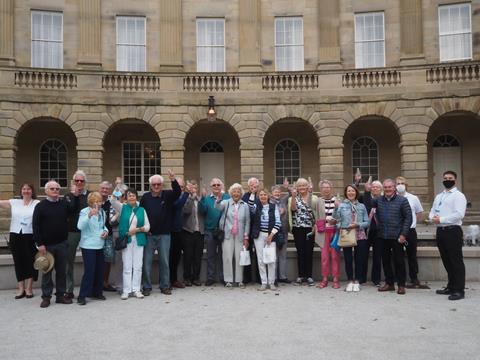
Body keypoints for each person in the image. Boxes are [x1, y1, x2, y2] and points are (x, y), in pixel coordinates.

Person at [33, 180, 77, 308]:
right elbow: (35, 226)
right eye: (52, 189)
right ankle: (46, 297)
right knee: (46, 271)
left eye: (57, 189)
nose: (55, 191)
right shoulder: (40, 206)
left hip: (62, 244)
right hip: (46, 246)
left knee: (61, 272)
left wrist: (73, 195)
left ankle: (60, 296)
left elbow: (73, 209)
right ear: (46, 191)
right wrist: (39, 243)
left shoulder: (63, 204)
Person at [140, 170, 181, 296]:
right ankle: (146, 286)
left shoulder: (167, 195)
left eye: (158, 184)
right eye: (154, 184)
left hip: (164, 235)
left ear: (162, 185)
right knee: (146, 262)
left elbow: (178, 193)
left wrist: (173, 180)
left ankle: (165, 285)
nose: (156, 186)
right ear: (150, 186)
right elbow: (141, 213)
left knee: (164, 261)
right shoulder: (145, 197)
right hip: (149, 235)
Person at [429, 170, 467, 301]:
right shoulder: (439, 196)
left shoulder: (458, 196)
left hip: (453, 231)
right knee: (446, 260)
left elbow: (459, 214)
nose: (447, 180)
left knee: (455, 261)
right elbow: (433, 210)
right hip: (441, 231)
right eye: (445, 178)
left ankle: (459, 290)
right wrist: (432, 218)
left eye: (450, 178)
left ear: (455, 180)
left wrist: (442, 219)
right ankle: (451, 286)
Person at [0, 184, 40, 299]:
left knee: (30, 261)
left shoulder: (37, 203)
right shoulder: (14, 202)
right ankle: (21, 288)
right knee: (18, 261)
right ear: (21, 191)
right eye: (24, 189)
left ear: (32, 191)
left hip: (30, 235)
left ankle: (29, 288)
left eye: (28, 189)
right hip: (15, 235)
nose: (26, 191)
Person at [373, 179, 412, 295]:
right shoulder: (378, 200)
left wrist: (403, 234)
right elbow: (368, 204)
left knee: (399, 261)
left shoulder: (403, 201)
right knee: (385, 261)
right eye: (385, 187)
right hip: (382, 236)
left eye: (390, 187)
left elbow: (408, 218)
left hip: (397, 237)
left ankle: (401, 285)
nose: (387, 189)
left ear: (394, 188)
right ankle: (389, 283)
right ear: (383, 189)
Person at [113, 188, 150, 300]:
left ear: (136, 197)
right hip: (127, 240)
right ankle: (126, 290)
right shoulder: (122, 208)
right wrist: (117, 187)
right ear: (126, 197)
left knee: (138, 266)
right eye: (129, 195)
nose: (131, 197)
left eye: (133, 195)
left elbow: (148, 227)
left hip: (139, 240)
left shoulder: (142, 210)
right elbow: (113, 201)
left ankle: (136, 290)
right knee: (127, 266)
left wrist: (137, 230)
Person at [334, 185, 370, 292]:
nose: (350, 193)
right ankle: (350, 281)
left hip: (360, 235)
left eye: (352, 191)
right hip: (347, 234)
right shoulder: (341, 205)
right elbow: (336, 220)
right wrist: (336, 208)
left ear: (356, 192)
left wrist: (357, 225)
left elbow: (367, 222)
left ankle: (357, 281)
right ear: (346, 193)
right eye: (348, 191)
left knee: (359, 259)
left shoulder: (362, 206)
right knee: (348, 259)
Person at [76, 192, 109, 305]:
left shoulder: (102, 212)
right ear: (91, 202)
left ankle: (97, 292)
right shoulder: (84, 212)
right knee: (89, 271)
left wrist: (106, 231)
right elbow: (80, 226)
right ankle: (82, 295)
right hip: (88, 245)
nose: (99, 203)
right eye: (96, 201)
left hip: (100, 244)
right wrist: (89, 215)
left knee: (100, 270)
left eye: (100, 201)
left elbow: (103, 225)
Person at [215, 183, 250, 288]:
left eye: (238, 192)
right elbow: (217, 207)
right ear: (231, 193)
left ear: (241, 193)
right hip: (227, 235)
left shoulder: (245, 205)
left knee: (239, 258)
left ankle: (239, 280)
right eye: (234, 191)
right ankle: (228, 280)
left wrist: (246, 237)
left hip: (240, 235)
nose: (236, 193)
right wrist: (218, 198)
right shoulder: (226, 203)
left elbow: (247, 222)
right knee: (227, 257)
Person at [288, 178, 318, 286]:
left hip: (310, 228)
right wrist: (293, 197)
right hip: (298, 227)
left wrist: (315, 225)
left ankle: (309, 276)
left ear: (307, 186)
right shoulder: (294, 198)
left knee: (309, 252)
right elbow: (292, 209)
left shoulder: (313, 197)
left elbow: (316, 212)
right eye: (299, 186)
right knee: (300, 252)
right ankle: (301, 276)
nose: (302, 187)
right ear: (297, 187)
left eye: (304, 185)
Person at [395, 176, 424, 288]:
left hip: (410, 231)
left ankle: (414, 277)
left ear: (406, 185)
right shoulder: (392, 198)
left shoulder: (413, 198)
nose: (400, 185)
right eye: (398, 183)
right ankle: (399, 277)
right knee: (398, 256)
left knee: (412, 255)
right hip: (397, 231)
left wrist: (412, 222)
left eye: (402, 183)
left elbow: (419, 212)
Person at [200, 178, 229, 286]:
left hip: (224, 231)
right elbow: (202, 211)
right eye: (214, 185)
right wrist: (202, 199)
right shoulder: (207, 199)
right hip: (210, 231)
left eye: (218, 184)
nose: (216, 186)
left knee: (223, 255)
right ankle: (210, 277)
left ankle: (223, 277)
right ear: (211, 187)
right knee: (210, 255)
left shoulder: (227, 197)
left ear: (221, 186)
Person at [250, 188, 281, 291]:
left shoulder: (273, 206)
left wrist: (271, 235)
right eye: (261, 195)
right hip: (258, 236)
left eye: (265, 195)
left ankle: (271, 282)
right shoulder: (256, 206)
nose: (263, 196)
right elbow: (250, 205)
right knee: (260, 260)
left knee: (271, 259)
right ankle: (263, 282)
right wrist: (253, 193)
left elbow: (278, 223)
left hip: (270, 235)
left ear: (268, 196)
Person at [64, 170, 89, 299]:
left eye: (82, 181)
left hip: (87, 233)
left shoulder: (89, 196)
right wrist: (74, 195)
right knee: (69, 261)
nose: (79, 183)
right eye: (77, 181)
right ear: (73, 182)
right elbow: (69, 210)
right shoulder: (68, 196)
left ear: (85, 182)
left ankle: (89, 288)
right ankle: (69, 289)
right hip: (72, 232)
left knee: (89, 261)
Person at [317, 180, 341, 289]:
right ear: (321, 189)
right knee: (325, 257)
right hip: (323, 232)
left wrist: (336, 220)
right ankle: (325, 278)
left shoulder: (337, 200)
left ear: (331, 188)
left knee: (335, 256)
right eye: (324, 187)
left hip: (335, 231)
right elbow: (314, 213)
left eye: (328, 187)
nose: (326, 189)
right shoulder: (318, 201)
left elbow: (342, 217)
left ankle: (336, 278)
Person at [182, 180, 205, 286]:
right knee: (188, 256)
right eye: (191, 188)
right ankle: (186, 278)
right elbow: (186, 211)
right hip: (188, 231)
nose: (193, 190)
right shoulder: (186, 199)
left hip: (199, 232)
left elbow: (204, 212)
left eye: (195, 188)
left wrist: (201, 199)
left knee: (197, 256)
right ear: (188, 188)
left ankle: (196, 277)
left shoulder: (200, 199)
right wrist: (191, 198)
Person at [360, 180, 383, 286]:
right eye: (373, 187)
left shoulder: (383, 199)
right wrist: (364, 190)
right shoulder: (365, 198)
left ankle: (376, 279)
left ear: (381, 189)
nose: (375, 188)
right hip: (366, 231)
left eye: (377, 187)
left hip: (378, 232)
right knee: (363, 255)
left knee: (377, 256)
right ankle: (362, 278)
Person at [170, 177, 189, 289]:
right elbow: (178, 205)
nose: (180, 189)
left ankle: (174, 280)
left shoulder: (183, 197)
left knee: (177, 257)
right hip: (171, 231)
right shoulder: (172, 197)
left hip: (181, 231)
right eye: (179, 187)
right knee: (170, 257)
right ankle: (168, 280)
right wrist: (186, 193)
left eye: (182, 187)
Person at [242, 177, 262, 284]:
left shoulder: (261, 196)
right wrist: (252, 194)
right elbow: (248, 209)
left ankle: (260, 277)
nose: (254, 187)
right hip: (248, 229)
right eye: (252, 185)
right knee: (247, 253)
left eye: (256, 185)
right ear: (248, 186)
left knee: (259, 254)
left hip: (258, 229)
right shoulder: (245, 196)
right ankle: (247, 277)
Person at [270, 184, 290, 284]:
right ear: (272, 194)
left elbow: (291, 193)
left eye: (278, 192)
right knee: (274, 255)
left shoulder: (283, 200)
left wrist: (287, 187)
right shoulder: (269, 202)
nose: (277, 193)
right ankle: (274, 277)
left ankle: (282, 276)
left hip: (284, 231)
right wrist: (277, 212)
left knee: (282, 255)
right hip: (273, 232)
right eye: (275, 192)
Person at [98, 181, 116, 292]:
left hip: (108, 234)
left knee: (108, 260)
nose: (104, 190)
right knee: (96, 259)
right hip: (95, 236)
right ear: (99, 189)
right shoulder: (95, 201)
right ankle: (97, 283)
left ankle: (105, 282)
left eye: (107, 189)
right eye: (103, 188)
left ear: (109, 191)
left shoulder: (111, 203)